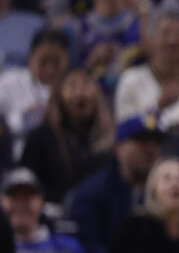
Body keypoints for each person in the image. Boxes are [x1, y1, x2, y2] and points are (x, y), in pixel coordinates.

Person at [68, 115, 163, 253]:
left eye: (156, 142)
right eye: (142, 141)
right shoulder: (93, 192)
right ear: (118, 148)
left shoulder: (166, 192)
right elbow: (89, 251)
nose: (150, 150)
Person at [20, 66, 112, 204]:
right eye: (72, 86)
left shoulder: (112, 144)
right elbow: (24, 186)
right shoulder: (40, 139)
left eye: (86, 84)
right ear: (58, 95)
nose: (80, 93)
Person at [1, 27, 69, 161]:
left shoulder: (72, 86)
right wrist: (22, 117)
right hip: (15, 155)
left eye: (55, 62)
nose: (50, 68)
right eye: (45, 61)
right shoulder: (9, 81)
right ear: (31, 56)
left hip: (60, 158)